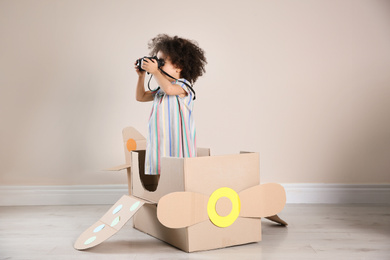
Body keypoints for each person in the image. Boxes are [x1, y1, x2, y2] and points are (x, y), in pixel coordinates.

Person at [134, 34, 207, 175]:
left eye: (161, 62)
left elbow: (169, 89)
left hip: (178, 141)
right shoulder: (161, 88)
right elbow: (141, 97)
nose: (157, 65)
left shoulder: (184, 86)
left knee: (179, 171)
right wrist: (141, 76)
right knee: (160, 170)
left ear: (178, 67)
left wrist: (155, 71)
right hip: (161, 140)